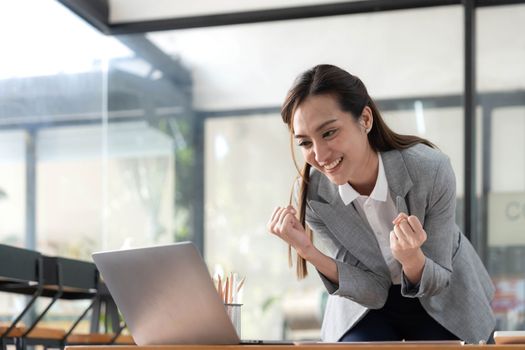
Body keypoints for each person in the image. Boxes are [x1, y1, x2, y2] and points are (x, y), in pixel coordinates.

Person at [267, 64, 495, 344]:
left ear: (365, 119)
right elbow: (371, 290)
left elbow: (437, 281)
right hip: (364, 308)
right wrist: (308, 250)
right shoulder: (314, 195)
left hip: (443, 297)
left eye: (328, 133)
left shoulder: (430, 170)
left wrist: (412, 258)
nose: (319, 154)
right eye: (305, 142)